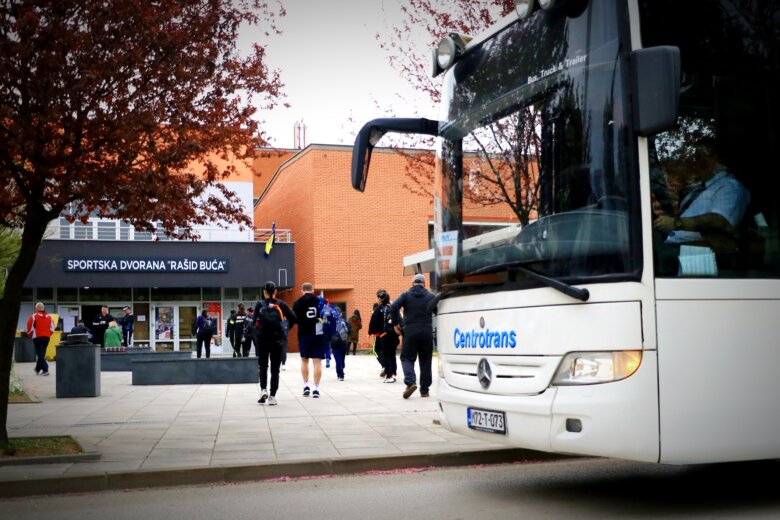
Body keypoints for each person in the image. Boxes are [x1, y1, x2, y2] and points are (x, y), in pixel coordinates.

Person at [653, 137, 751, 273]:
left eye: (707, 155)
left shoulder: (730, 186)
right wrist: (663, 217)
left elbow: (719, 220)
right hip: (675, 249)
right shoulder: (697, 190)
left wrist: (676, 223)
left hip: (701, 254)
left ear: (720, 159)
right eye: (697, 157)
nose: (701, 161)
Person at [391, 274, 436, 398]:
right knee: (426, 360)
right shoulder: (431, 296)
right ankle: (425, 390)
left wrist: (396, 325)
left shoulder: (406, 295)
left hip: (410, 331)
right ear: (424, 284)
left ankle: (411, 382)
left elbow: (393, 307)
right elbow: (438, 310)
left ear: (412, 283)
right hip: (426, 332)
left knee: (406, 358)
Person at [254, 281, 297, 406]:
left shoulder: (259, 304)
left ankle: (263, 390)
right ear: (276, 291)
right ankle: (272, 396)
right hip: (277, 341)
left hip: (262, 341)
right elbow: (294, 318)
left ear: (264, 292)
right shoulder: (281, 304)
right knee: (275, 370)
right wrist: (285, 328)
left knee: (262, 367)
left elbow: (254, 323)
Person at [292, 282, 326, 398]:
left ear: (302, 290)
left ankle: (306, 385)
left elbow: (294, 319)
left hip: (303, 334)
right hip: (318, 334)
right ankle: (316, 389)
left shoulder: (297, 302)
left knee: (304, 360)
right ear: (312, 290)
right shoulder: (320, 300)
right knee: (317, 361)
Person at [376, 289, 399, 383]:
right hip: (394, 335)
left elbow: (376, 322)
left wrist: (372, 331)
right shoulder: (393, 307)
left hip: (385, 335)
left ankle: (389, 375)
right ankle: (393, 373)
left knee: (386, 354)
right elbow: (399, 319)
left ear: (380, 299)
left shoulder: (381, 308)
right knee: (392, 354)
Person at [26, 302, 54, 376]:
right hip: (46, 338)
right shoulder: (49, 316)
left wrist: (30, 335)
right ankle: (38, 369)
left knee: (40, 355)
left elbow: (29, 328)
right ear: (43, 308)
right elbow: (52, 328)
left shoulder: (33, 316)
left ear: (36, 308)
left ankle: (45, 370)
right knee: (42, 354)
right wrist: (48, 334)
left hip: (37, 337)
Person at [368, 300, 386, 377]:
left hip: (379, 335)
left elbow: (373, 323)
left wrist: (370, 332)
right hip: (389, 334)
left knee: (376, 350)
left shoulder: (376, 311)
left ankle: (384, 365)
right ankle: (390, 369)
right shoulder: (387, 309)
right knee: (387, 352)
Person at [331, 312, 350, 381]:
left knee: (338, 359)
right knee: (341, 359)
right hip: (343, 342)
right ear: (341, 314)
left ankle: (340, 373)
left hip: (334, 343)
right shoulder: (343, 321)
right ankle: (341, 373)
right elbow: (349, 329)